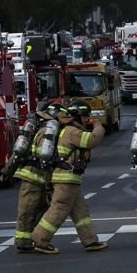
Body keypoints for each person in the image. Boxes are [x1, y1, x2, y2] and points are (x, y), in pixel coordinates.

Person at [31, 100, 107, 254]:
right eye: (85, 117)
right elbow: (92, 140)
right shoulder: (72, 131)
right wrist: (99, 127)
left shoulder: (68, 129)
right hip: (66, 178)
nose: (87, 120)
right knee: (58, 209)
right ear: (77, 116)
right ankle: (40, 239)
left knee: (81, 212)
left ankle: (90, 241)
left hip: (69, 178)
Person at [2, 103, 68, 252]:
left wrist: (7, 171)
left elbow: (17, 153)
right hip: (35, 178)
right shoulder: (47, 133)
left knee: (34, 210)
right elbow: (44, 160)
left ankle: (31, 239)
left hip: (32, 177)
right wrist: (50, 183)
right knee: (28, 211)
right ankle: (23, 242)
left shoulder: (36, 129)